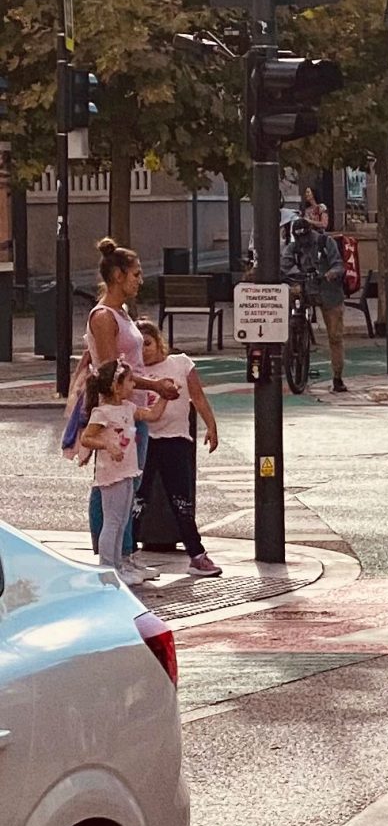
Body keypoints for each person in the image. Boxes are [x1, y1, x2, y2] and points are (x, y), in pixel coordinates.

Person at [75, 239, 181, 577]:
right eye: (136, 274)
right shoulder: (104, 316)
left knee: (130, 485)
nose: (140, 280)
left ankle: (125, 555)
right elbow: (112, 370)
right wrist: (155, 385)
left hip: (131, 409)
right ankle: (111, 561)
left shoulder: (121, 313)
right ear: (118, 275)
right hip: (116, 413)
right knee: (110, 486)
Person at [134, 322, 223, 577]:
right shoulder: (137, 373)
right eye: (139, 347)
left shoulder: (180, 363)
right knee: (140, 498)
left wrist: (211, 426)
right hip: (147, 439)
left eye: (148, 344)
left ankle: (196, 554)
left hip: (176, 439)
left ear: (158, 342)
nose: (144, 352)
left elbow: (198, 397)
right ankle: (128, 552)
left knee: (181, 500)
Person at [78, 360, 167, 586]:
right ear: (116, 386)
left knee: (123, 519)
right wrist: (108, 445)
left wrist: (165, 396)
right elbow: (86, 438)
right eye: (129, 381)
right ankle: (108, 567)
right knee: (113, 521)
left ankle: (117, 565)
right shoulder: (102, 413)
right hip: (112, 474)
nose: (133, 385)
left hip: (127, 471)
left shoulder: (127, 408)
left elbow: (152, 415)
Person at [281, 217, 349, 393]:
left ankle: (337, 377)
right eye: (299, 239)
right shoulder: (293, 247)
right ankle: (292, 341)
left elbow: (338, 265)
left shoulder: (326, 242)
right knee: (289, 298)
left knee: (335, 336)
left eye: (306, 238)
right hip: (305, 290)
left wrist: (330, 274)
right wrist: (293, 275)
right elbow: (284, 265)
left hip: (329, 293)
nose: (303, 243)